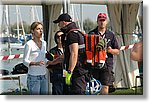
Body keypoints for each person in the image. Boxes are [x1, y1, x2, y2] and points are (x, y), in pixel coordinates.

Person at [53, 13, 89, 95]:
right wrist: (53, 62)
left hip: (78, 71)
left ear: (64, 22)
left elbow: (74, 54)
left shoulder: (72, 34)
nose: (58, 25)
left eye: (59, 23)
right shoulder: (75, 32)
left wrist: (70, 72)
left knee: (78, 93)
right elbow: (67, 54)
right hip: (79, 69)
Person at [23, 22, 61, 95]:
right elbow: (25, 61)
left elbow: (43, 58)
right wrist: (35, 63)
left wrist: (52, 62)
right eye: (38, 29)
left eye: (41, 29)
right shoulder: (29, 44)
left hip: (43, 75)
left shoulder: (44, 43)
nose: (40, 31)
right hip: (33, 77)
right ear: (32, 31)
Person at [89, 13, 119, 95]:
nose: (102, 22)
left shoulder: (111, 35)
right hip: (94, 63)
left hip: (107, 64)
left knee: (105, 86)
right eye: (100, 20)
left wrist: (110, 51)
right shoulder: (91, 34)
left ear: (106, 22)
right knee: (94, 86)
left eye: (103, 20)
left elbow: (117, 51)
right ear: (97, 22)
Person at [47, 31, 65, 95]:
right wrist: (55, 62)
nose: (60, 38)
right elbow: (48, 64)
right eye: (58, 37)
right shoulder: (52, 51)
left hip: (68, 74)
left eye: (62, 36)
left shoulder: (69, 49)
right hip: (57, 76)